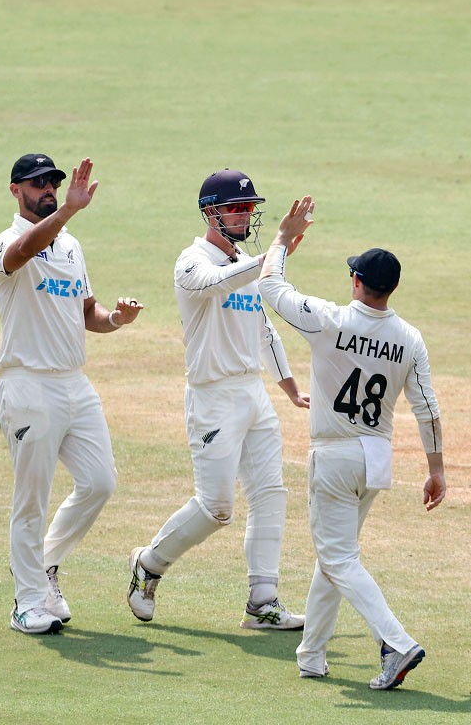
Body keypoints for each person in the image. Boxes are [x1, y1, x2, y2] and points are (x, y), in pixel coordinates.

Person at [257, 196, 446, 690]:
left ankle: (397, 642)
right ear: (394, 287)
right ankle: (312, 654)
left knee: (339, 559)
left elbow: (270, 286)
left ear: (358, 282)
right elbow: (427, 408)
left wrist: (280, 240)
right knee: (334, 558)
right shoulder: (410, 337)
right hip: (376, 460)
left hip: (335, 453)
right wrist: (437, 468)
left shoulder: (330, 320)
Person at [126, 170, 309, 632]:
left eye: (248, 208)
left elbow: (262, 327)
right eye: (234, 208)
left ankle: (262, 603)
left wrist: (287, 385)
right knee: (217, 507)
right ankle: (148, 564)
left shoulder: (248, 262)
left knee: (271, 494)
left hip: (253, 394)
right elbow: (218, 283)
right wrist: (277, 252)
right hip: (212, 397)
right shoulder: (190, 262)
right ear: (211, 212)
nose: (244, 215)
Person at [0, 155, 143, 634]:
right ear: (16, 191)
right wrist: (67, 214)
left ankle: (43, 565)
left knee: (100, 481)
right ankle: (26, 602)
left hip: (74, 383)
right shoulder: (3, 242)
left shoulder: (71, 246)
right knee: (30, 498)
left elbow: (86, 312)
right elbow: (20, 255)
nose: (49, 189)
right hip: (27, 384)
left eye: (53, 183)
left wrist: (115, 319)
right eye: (38, 184)